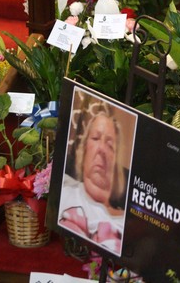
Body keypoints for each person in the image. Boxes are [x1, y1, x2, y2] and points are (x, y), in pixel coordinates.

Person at [59, 99, 126, 254]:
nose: (101, 149)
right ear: (84, 149)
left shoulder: (129, 222)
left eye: (110, 145)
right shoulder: (64, 189)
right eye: (95, 138)